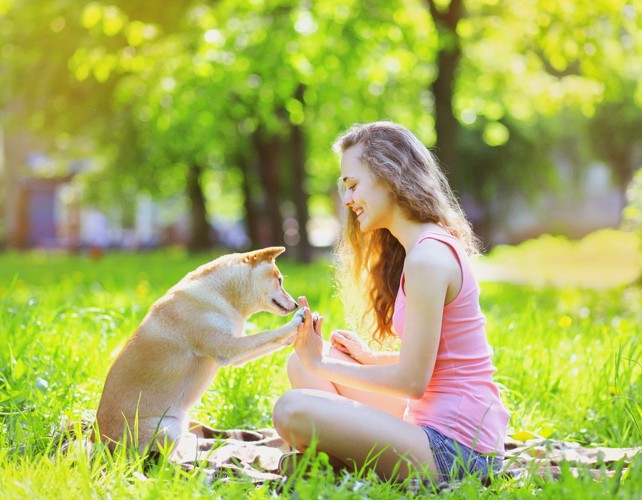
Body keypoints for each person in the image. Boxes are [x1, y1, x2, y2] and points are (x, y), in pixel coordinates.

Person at [272, 121, 509, 483]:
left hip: (459, 454)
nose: (348, 200)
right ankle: (337, 466)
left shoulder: (427, 259)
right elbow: (441, 360)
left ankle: (333, 467)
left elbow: (413, 381)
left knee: (292, 408)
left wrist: (322, 364)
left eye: (352, 185)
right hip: (428, 423)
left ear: (389, 176)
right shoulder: (420, 248)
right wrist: (366, 360)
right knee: (300, 367)